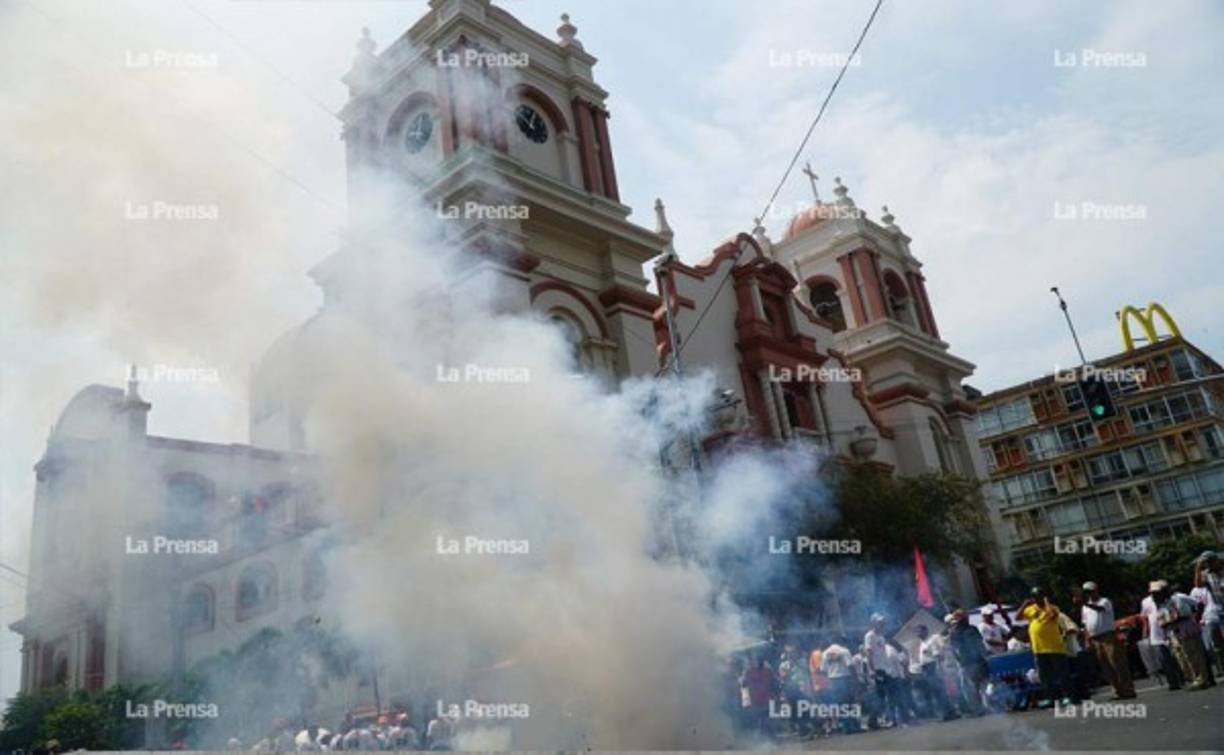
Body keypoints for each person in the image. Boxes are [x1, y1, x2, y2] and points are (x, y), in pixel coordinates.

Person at [1018, 587, 1074, 707]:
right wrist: (1024, 604)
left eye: (1039, 596)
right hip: (1039, 648)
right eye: (1035, 596)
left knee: (1062, 673)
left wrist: (1046, 602)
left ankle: (1067, 696)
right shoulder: (1030, 609)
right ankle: (1051, 698)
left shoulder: (1052, 607)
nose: (1037, 598)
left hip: (1054, 647)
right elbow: (1017, 617)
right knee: (1045, 676)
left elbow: (1053, 615)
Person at [1080, 581, 1135, 699]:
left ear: (1096, 590)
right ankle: (1116, 690)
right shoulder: (1085, 607)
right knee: (1105, 666)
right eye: (1086, 593)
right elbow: (1085, 624)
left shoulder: (1105, 601)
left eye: (1090, 591)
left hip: (1107, 636)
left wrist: (1086, 604)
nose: (1089, 594)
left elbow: (1100, 609)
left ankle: (1128, 689)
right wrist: (1087, 640)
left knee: (1117, 662)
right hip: (1095, 638)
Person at [1156, 581, 1212, 690]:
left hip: (1186, 628)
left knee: (1193, 655)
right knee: (1182, 658)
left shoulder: (1179, 597)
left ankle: (1202, 679)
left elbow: (1199, 603)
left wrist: (1197, 618)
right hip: (1174, 632)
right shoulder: (1161, 604)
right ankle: (1193, 678)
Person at [1142, 579, 1185, 689]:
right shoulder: (1145, 602)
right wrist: (1145, 631)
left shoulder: (1166, 599)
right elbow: (1145, 617)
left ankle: (1183, 678)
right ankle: (1172, 682)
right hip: (1156, 634)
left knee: (1176, 657)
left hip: (1169, 632)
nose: (1154, 594)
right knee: (1164, 660)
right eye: (1152, 591)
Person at [946, 610, 988, 715]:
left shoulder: (972, 629)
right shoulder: (954, 632)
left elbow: (980, 643)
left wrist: (984, 655)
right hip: (966, 663)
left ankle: (985, 706)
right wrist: (960, 661)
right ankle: (977, 709)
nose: (966, 619)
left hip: (977, 661)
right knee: (971, 687)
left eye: (965, 617)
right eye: (962, 617)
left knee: (981, 685)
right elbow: (954, 649)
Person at [915, 625, 958, 720]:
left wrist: (938, 668)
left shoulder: (931, 641)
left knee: (939, 691)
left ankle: (948, 713)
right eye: (917, 632)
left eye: (920, 631)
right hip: (926, 669)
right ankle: (947, 712)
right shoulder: (922, 643)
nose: (918, 634)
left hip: (932, 667)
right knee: (936, 692)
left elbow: (937, 655)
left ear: (925, 631)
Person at [1192, 554, 1224, 675]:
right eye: (1207, 562)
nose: (1209, 564)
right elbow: (1198, 584)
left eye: (1211, 561)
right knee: (1216, 644)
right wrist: (1198, 567)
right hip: (1215, 612)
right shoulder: (1207, 574)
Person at [821, 637, 860, 734]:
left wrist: (829, 679)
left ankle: (846, 728)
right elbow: (850, 666)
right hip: (844, 679)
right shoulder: (844, 651)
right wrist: (856, 680)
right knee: (850, 703)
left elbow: (823, 670)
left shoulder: (825, 653)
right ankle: (853, 726)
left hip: (833, 680)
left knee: (840, 705)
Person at [740, 655, 776, 739]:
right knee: (764, 719)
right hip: (761, 699)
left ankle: (766, 737)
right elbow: (774, 684)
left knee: (763, 719)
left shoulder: (749, 671)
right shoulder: (766, 671)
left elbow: (743, 684)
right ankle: (767, 737)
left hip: (760, 699)